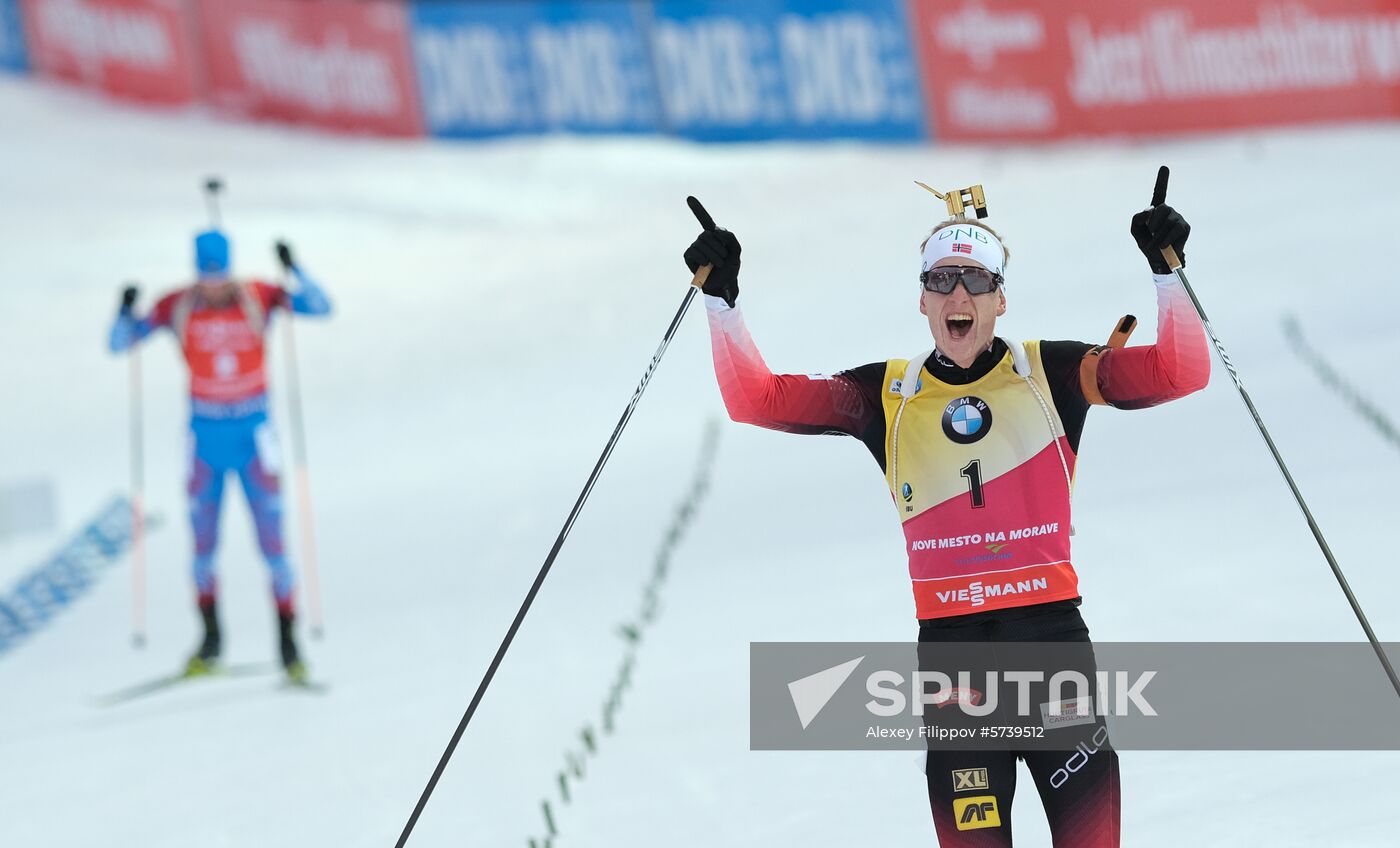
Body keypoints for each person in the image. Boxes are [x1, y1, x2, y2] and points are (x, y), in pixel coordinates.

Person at [683, 186, 1210, 845]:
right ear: (923, 300)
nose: (959, 297)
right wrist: (721, 300)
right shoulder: (887, 394)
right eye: (942, 281)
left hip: (1052, 651)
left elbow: (1179, 373)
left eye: (976, 281)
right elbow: (756, 400)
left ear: (1000, 298)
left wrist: (1170, 274)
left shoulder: (1053, 371)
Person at [109, 230, 332, 682]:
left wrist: (295, 268)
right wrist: (123, 309)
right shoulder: (179, 305)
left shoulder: (258, 297)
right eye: (206, 276)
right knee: (203, 549)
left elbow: (321, 306)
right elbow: (120, 343)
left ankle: (289, 647)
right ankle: (211, 642)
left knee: (274, 546)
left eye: (220, 275)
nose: (213, 285)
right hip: (205, 440)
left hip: (253, 436)